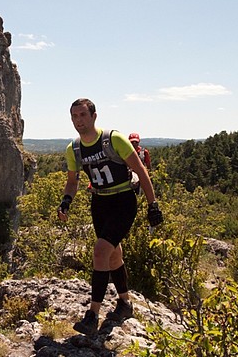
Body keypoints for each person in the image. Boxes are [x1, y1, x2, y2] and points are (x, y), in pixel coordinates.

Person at [57, 98, 163, 335]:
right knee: (113, 254)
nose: (78, 121)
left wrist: (152, 204)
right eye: (74, 116)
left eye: (83, 115)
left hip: (123, 201)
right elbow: (72, 182)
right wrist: (66, 202)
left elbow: (140, 171)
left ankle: (92, 314)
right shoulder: (73, 148)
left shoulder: (113, 139)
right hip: (100, 203)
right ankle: (125, 303)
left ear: (94, 116)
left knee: (100, 251)